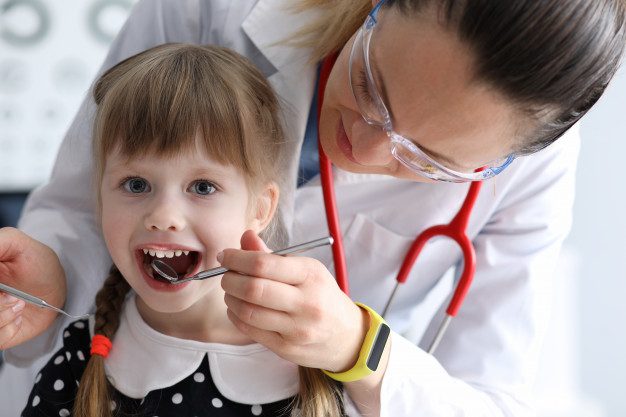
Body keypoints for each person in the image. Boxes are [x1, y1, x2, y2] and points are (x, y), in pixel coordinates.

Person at [1, 0, 625, 416]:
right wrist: (55, 274)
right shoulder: (221, 10)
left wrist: (360, 347)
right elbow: (86, 198)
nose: (367, 144)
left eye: (430, 160)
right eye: (370, 87)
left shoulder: (532, 169)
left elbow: (489, 398)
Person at [20, 42, 356, 417]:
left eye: (202, 187)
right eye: (135, 184)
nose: (163, 216)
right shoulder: (82, 358)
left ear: (260, 208)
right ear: (99, 198)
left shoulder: (314, 360)